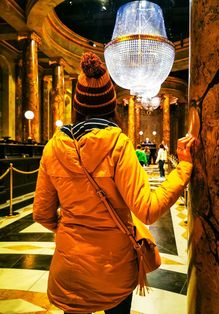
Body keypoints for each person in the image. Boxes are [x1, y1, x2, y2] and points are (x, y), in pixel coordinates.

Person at [33, 52, 195, 314]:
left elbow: (41, 213)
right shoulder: (118, 144)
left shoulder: (53, 148)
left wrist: (73, 230)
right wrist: (185, 166)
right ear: (112, 106)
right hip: (114, 269)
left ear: (77, 106)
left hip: (70, 269)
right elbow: (147, 209)